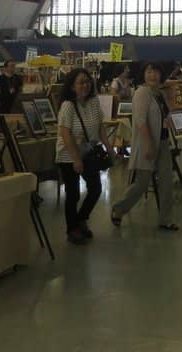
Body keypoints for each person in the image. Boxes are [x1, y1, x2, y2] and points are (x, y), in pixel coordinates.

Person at [110, 61, 179, 232]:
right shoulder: (142, 93)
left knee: (166, 183)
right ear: (143, 74)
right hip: (147, 143)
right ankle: (119, 209)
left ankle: (166, 219)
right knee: (141, 183)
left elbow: (165, 115)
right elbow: (140, 121)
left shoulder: (159, 94)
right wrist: (149, 145)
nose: (153, 75)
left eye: (156, 71)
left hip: (163, 143)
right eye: (149, 71)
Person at [56, 67, 117, 245]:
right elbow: (65, 135)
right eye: (81, 82)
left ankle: (81, 218)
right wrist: (75, 159)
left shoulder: (94, 102)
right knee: (73, 194)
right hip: (68, 155)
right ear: (72, 86)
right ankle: (72, 228)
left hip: (89, 152)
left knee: (96, 189)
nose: (85, 85)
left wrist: (109, 147)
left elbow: (100, 127)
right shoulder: (68, 106)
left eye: (87, 82)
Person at [110, 64, 134, 156]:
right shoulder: (115, 82)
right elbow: (113, 95)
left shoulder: (126, 81)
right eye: (126, 68)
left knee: (127, 125)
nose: (128, 70)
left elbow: (128, 95)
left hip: (126, 107)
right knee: (120, 126)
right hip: (117, 109)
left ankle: (124, 146)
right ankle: (119, 147)